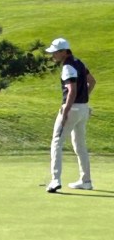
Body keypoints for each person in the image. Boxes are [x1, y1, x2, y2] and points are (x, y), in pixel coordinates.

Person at [44, 38, 96, 193]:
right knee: (80, 145)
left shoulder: (68, 67)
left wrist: (65, 111)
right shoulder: (79, 62)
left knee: (56, 143)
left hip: (71, 109)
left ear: (63, 52)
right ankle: (86, 181)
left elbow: (71, 91)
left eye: (55, 52)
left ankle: (55, 181)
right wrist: (83, 100)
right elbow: (92, 82)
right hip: (83, 109)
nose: (53, 55)